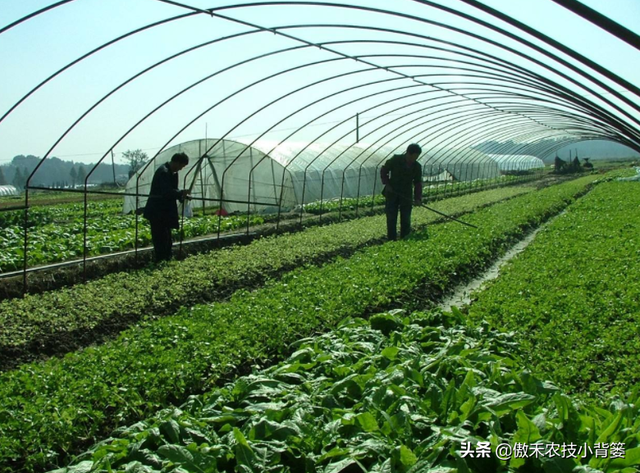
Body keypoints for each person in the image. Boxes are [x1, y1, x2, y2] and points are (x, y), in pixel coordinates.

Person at [143, 152, 190, 262]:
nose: (181, 169)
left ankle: (167, 259)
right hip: (157, 211)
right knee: (160, 238)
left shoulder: (173, 173)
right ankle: (160, 260)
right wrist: (180, 193)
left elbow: (173, 190)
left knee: (167, 237)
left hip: (165, 211)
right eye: (181, 166)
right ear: (176, 162)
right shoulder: (163, 172)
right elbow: (166, 192)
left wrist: (182, 195)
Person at [380, 143, 423, 240]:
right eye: (414, 156)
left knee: (406, 219)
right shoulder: (396, 160)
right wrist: (387, 184)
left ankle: (405, 239)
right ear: (408, 153)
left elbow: (418, 183)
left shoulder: (417, 166)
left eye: (417, 157)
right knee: (391, 218)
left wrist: (418, 198)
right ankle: (391, 240)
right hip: (392, 193)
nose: (415, 159)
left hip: (406, 195)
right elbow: (384, 170)